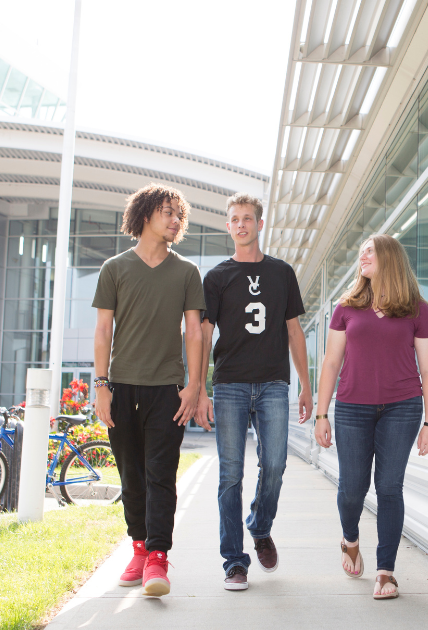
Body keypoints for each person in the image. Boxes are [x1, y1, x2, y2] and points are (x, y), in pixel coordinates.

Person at [92, 183, 209, 598]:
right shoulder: (115, 268)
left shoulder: (186, 272)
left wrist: (195, 386)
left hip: (167, 390)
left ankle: (158, 557)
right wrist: (101, 385)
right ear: (144, 215)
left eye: (180, 215)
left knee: (161, 475)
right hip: (121, 387)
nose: (175, 221)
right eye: (167, 212)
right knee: (131, 477)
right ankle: (138, 549)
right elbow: (104, 329)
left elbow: (194, 331)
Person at [309, 234, 428, 600]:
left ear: (390, 258)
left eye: (370, 250)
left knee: (389, 488)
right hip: (352, 408)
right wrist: (322, 413)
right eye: (361, 250)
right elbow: (331, 362)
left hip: (403, 407)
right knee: (351, 490)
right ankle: (350, 540)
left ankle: (386, 572)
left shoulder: (417, 310)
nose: (362, 255)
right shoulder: (345, 308)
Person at [198, 193, 312, 591]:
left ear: (260, 224)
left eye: (248, 218)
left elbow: (295, 331)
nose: (242, 224)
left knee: (276, 464)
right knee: (230, 474)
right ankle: (234, 561)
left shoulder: (282, 272)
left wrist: (306, 387)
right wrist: (198, 388)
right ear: (228, 226)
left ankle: (260, 526)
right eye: (235, 219)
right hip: (228, 384)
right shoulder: (215, 277)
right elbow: (202, 333)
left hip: (274, 385)